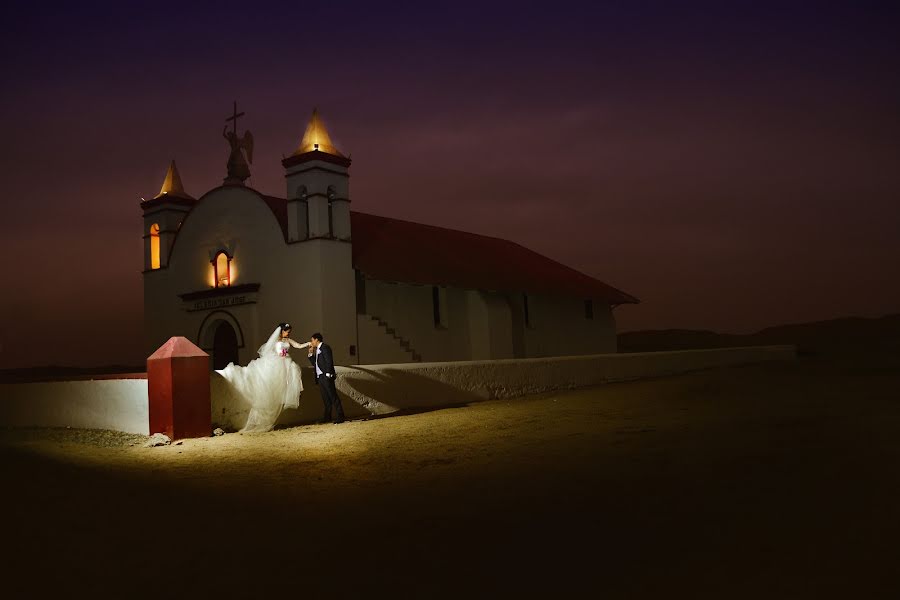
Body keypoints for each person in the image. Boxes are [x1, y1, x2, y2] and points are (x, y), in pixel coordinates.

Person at [216, 322, 309, 432]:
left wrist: (307, 344)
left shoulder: (288, 341)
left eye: (289, 332)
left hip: (286, 362)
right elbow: (268, 351)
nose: (288, 334)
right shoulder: (276, 341)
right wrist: (279, 355)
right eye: (287, 332)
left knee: (289, 378)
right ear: (282, 331)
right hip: (279, 362)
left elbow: (298, 345)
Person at [308, 332, 345, 424]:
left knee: (333, 396)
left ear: (316, 339)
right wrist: (310, 355)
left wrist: (328, 373)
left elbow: (329, 361)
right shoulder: (318, 349)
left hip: (326, 376)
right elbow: (316, 364)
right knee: (326, 398)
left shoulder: (325, 347)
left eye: (312, 340)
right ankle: (327, 417)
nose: (311, 342)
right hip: (320, 377)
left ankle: (341, 416)